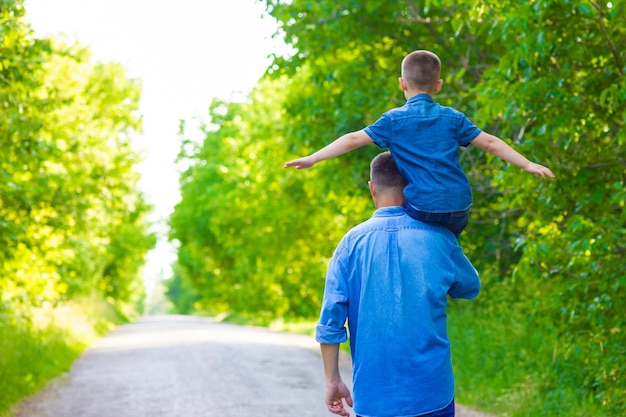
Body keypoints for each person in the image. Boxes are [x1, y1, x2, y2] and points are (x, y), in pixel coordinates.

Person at [284, 50, 554, 237]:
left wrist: (313, 158)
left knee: (395, 211)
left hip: (421, 208)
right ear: (438, 85)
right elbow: (492, 143)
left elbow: (353, 139)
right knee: (448, 238)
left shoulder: (393, 120)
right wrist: (528, 164)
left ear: (402, 83)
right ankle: (453, 264)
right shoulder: (453, 118)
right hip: (460, 206)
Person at [316, 151, 481, 417]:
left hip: (374, 396)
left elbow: (330, 322)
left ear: (372, 188)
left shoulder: (350, 244)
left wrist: (333, 380)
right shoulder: (440, 238)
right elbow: (470, 286)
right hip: (431, 393)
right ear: (414, 185)